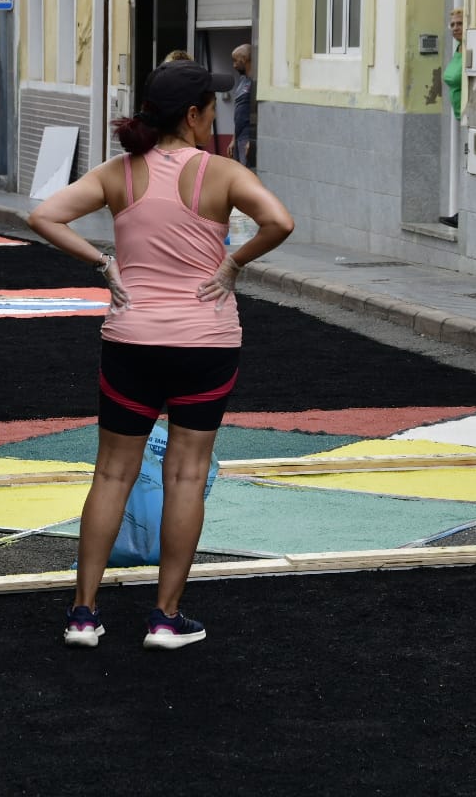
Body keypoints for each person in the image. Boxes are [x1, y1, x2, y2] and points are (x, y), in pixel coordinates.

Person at [27, 60, 294, 650]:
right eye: (211, 108)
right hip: (206, 342)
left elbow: (43, 215)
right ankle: (165, 618)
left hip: (132, 340)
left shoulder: (119, 173)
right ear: (195, 114)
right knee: (186, 475)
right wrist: (232, 262)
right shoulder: (221, 173)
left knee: (112, 473)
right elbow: (279, 221)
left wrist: (103, 264)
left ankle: (83, 615)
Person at [439, 8, 465, 229]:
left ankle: (462, 214)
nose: (455, 28)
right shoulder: (458, 49)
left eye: (460, 23)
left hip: (469, 116)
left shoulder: (470, 50)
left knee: (468, 167)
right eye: (453, 24)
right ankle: (459, 212)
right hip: (458, 114)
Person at [230, 44, 255, 168]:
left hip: (246, 137)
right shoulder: (242, 80)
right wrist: (233, 139)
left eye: (235, 60)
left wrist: (252, 140)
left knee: (246, 173)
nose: (234, 65)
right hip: (239, 137)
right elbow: (238, 112)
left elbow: (257, 113)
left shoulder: (254, 82)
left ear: (244, 59)